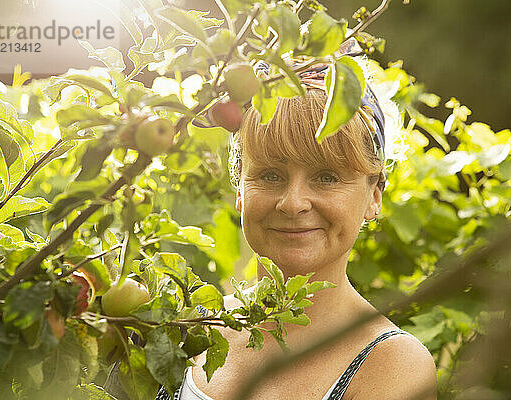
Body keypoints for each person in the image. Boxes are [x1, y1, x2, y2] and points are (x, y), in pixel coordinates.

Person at [157, 50, 437, 400]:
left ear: (374, 195)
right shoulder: (186, 330)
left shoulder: (392, 366)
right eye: (270, 175)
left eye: (326, 177)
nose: (293, 203)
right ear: (240, 187)